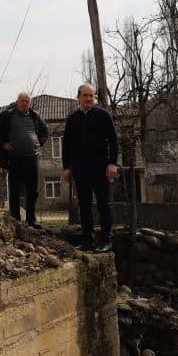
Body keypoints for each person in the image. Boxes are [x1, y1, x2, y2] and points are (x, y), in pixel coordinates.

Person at [61, 84, 119, 253]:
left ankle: (106, 240)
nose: (88, 98)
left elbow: (113, 140)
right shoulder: (72, 118)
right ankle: (87, 239)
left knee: (103, 203)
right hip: (80, 168)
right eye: (85, 95)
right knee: (84, 204)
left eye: (91, 95)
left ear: (95, 98)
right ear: (78, 97)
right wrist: (66, 167)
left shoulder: (103, 115)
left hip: (100, 166)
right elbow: (66, 145)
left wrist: (112, 163)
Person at [0, 92, 49, 228]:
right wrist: (3, 144)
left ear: (30, 103)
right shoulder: (7, 115)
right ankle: (15, 219)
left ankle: (31, 219)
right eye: (22, 101)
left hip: (32, 158)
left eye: (27, 101)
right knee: (15, 190)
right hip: (15, 158)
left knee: (32, 190)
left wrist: (39, 142)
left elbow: (45, 131)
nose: (24, 103)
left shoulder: (35, 116)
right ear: (17, 101)